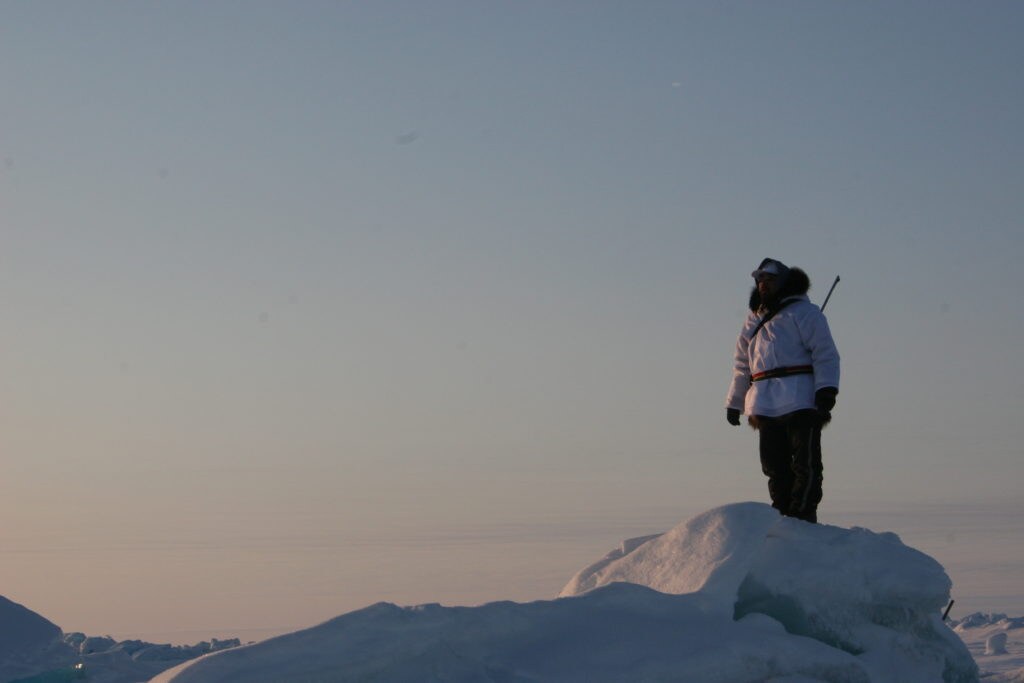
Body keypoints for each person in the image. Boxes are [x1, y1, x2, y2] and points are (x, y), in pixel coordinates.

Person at [725, 258, 840, 523]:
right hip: (763, 401)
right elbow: (743, 364)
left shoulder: (805, 314)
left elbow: (825, 355)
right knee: (774, 467)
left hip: (801, 397)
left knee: (805, 464)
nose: (764, 284)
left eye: (770, 279)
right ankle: (782, 516)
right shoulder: (753, 321)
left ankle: (802, 515)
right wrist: (735, 401)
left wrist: (826, 389)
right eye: (760, 280)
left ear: (784, 282)